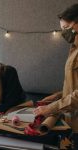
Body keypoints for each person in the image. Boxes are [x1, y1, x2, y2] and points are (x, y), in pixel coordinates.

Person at [34, 4, 78, 149]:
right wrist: (57, 96)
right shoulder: (74, 48)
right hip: (72, 121)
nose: (63, 32)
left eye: (66, 28)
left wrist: (51, 108)